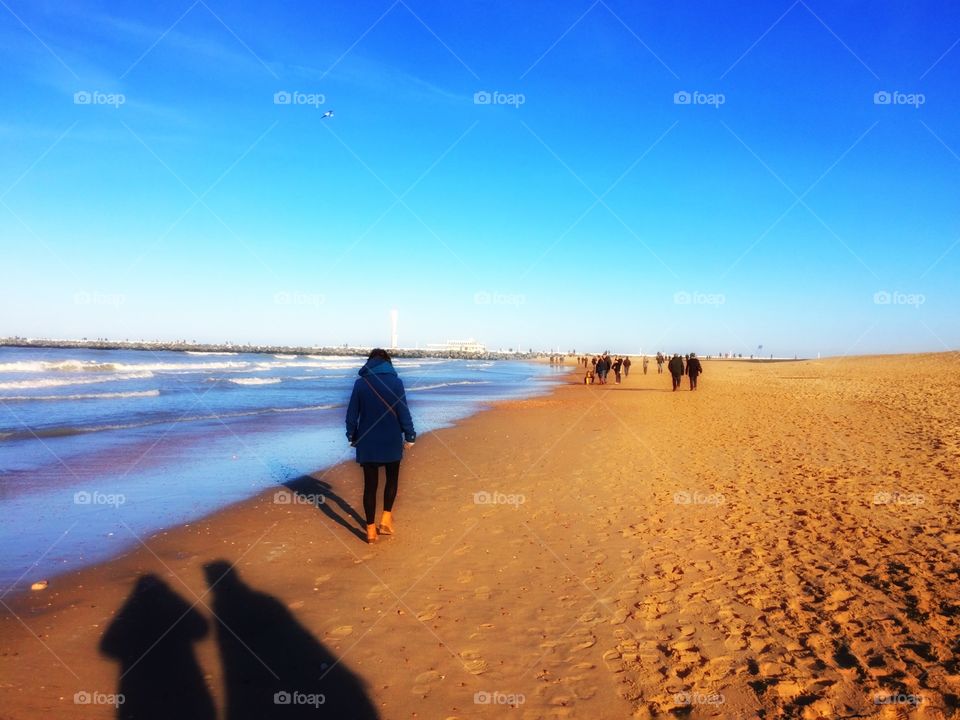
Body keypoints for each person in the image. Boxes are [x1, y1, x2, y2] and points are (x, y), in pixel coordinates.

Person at [346, 349, 416, 544]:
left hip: (367, 441)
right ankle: (385, 519)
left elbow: (352, 414)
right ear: (387, 362)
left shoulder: (360, 384)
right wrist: (409, 435)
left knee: (370, 486)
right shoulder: (397, 383)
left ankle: (370, 530)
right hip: (391, 439)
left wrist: (351, 435)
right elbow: (403, 411)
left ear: (370, 362)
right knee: (392, 479)